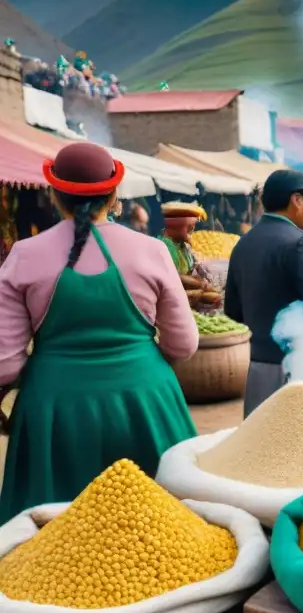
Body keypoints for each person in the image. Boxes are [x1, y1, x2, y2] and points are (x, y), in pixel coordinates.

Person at [0, 143, 198, 522]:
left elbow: (4, 365)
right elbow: (184, 343)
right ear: (114, 194)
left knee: (56, 537)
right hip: (145, 399)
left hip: (55, 410)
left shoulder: (25, 254)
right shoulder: (151, 250)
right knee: (165, 530)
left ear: (55, 195)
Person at [224, 170, 303, 417]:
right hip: (296, 368)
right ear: (296, 200)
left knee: (261, 444)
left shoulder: (244, 243)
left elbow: (232, 310)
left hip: (257, 367)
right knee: (295, 445)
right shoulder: (301, 243)